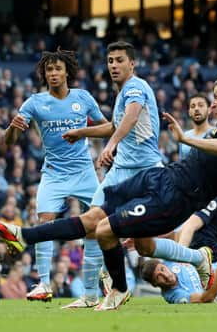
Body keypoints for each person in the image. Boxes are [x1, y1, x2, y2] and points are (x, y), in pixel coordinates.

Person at [0, 74, 217, 311]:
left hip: (176, 198)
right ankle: (23, 236)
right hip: (162, 176)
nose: (214, 104)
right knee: (96, 217)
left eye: (216, 98)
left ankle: (118, 288)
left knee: (105, 231)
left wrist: (183, 139)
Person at [60, 41, 164, 308]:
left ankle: (198, 261)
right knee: (91, 226)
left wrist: (112, 144)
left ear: (132, 63)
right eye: (110, 61)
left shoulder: (135, 88)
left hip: (146, 171)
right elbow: (115, 125)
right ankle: (91, 294)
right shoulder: (122, 93)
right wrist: (82, 132)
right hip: (121, 171)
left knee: (145, 247)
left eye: (119, 60)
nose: (114, 65)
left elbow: (130, 118)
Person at [2, 48, 107, 303]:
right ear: (44, 74)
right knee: (44, 222)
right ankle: (44, 283)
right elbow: (9, 141)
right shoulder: (35, 102)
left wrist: (82, 132)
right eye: (49, 70)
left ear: (67, 72)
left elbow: (108, 127)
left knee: (96, 225)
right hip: (54, 173)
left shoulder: (83, 98)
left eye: (58, 68)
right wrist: (12, 129)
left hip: (84, 171)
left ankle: (92, 291)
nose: (53, 73)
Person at [179, 93, 212, 159]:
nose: (196, 109)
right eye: (193, 106)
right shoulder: (184, 135)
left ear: (209, 110)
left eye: (201, 105)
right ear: (189, 112)